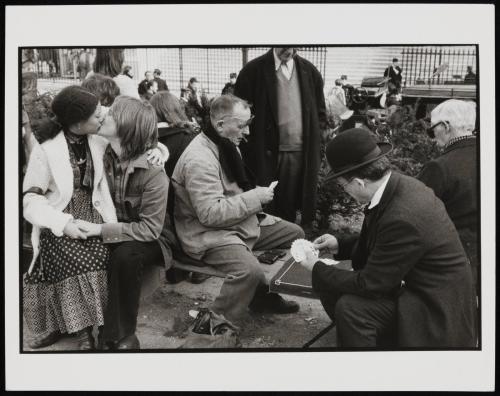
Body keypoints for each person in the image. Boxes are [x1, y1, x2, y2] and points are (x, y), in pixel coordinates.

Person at [296, 128, 476, 348]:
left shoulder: (403, 216)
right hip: (424, 290)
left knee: (351, 308)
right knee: (339, 291)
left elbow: (371, 284)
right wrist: (339, 244)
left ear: (358, 183)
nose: (345, 193)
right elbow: (386, 242)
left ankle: (373, 369)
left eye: (343, 186)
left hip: (436, 310)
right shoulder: (400, 185)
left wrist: (316, 267)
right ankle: (364, 339)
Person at [171, 94, 303, 323]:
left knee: (296, 235)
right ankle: (213, 324)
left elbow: (230, 195)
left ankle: (260, 298)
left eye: (247, 124)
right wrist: (255, 198)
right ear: (220, 124)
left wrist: (254, 201)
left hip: (235, 224)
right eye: (241, 126)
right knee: (247, 271)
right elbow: (210, 214)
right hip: (208, 234)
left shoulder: (224, 142)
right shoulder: (199, 159)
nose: (247, 132)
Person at [23, 86, 116, 350]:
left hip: (95, 214)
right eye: (97, 115)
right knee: (72, 255)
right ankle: (82, 332)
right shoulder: (47, 151)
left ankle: (88, 326)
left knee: (101, 253)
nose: (103, 117)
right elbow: (30, 201)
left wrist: (159, 151)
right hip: (60, 218)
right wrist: (63, 224)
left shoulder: (99, 139)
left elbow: (137, 137)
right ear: (77, 122)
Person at [76, 96, 172, 350]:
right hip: (112, 226)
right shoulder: (100, 147)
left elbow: (150, 229)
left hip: (151, 237)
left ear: (126, 127)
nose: (104, 115)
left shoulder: (153, 172)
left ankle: (120, 336)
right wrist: (162, 147)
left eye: (112, 114)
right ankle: (76, 326)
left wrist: (100, 230)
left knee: (125, 255)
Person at [234, 47, 327, 227]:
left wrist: (318, 140)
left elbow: (320, 113)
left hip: (299, 152)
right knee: (264, 206)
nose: (290, 50)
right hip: (263, 153)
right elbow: (239, 112)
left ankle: (286, 242)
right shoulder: (253, 70)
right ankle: (265, 242)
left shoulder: (309, 71)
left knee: (289, 205)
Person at [418, 99, 479, 293]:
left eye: (432, 129)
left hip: (450, 263)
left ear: (445, 126)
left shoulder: (440, 167)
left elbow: (414, 215)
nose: (432, 135)